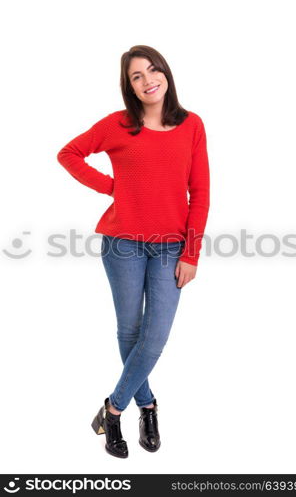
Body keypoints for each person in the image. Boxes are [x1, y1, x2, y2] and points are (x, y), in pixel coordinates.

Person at [56, 45, 210, 459]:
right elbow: (68, 154)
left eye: (152, 70)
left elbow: (202, 192)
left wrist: (191, 252)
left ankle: (112, 409)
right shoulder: (118, 125)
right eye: (136, 76)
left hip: (171, 248)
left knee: (154, 338)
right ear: (128, 85)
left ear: (166, 73)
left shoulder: (191, 125)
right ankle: (149, 406)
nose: (147, 81)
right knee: (130, 332)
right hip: (122, 242)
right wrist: (111, 187)